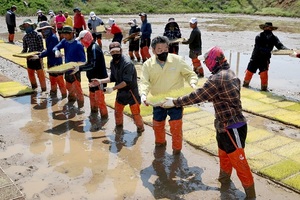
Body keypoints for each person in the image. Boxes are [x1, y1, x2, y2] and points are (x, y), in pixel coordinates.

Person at [161, 46, 256, 199]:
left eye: (207, 62)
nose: (207, 65)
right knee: (224, 156)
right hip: (223, 126)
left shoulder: (217, 78)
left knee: (240, 163)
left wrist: (175, 102)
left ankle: (251, 195)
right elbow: (215, 96)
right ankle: (224, 181)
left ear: (214, 61)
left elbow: (199, 95)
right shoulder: (229, 74)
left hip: (233, 127)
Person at [139, 36, 198, 155]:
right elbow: (144, 82)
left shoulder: (177, 60)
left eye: (166, 49)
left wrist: (192, 82)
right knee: (158, 125)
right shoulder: (147, 65)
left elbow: (190, 74)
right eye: (159, 49)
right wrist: (143, 95)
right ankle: (160, 145)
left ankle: (177, 151)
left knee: (176, 127)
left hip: (175, 101)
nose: (163, 52)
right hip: (158, 101)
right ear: (153, 50)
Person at [89, 42, 144, 134]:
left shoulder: (128, 63)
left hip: (131, 93)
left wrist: (113, 89)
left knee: (136, 115)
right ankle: (119, 130)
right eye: (113, 52)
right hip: (121, 92)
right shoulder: (112, 62)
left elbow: (126, 82)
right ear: (110, 53)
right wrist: (100, 81)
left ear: (121, 50)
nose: (115, 53)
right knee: (117, 112)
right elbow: (113, 77)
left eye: (117, 51)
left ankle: (140, 129)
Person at [243, 22, 289, 91]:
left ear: (271, 29)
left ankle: (264, 89)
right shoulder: (259, 36)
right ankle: (245, 86)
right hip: (255, 58)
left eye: (269, 27)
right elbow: (258, 47)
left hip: (265, 59)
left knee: (264, 75)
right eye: (266, 27)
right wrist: (267, 50)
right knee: (249, 73)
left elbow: (280, 46)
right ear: (264, 28)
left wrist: (287, 50)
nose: (267, 28)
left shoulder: (274, 38)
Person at [75, 30, 109, 119]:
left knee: (100, 100)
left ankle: (104, 119)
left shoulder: (94, 48)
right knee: (92, 98)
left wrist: (80, 68)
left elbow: (93, 65)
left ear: (86, 38)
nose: (81, 42)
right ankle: (93, 115)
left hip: (99, 80)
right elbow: (89, 62)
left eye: (82, 39)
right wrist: (80, 65)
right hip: (92, 79)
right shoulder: (89, 47)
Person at [52, 25, 86, 113]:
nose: (64, 36)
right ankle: (71, 102)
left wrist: (77, 66)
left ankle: (80, 108)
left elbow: (83, 60)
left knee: (78, 90)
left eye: (66, 35)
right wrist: (56, 51)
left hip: (75, 70)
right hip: (67, 69)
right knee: (69, 87)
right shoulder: (64, 42)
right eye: (63, 35)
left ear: (72, 34)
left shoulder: (78, 45)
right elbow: (56, 47)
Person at [31, 21, 67, 98]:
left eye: (44, 30)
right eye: (42, 31)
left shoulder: (53, 38)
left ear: (48, 29)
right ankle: (53, 93)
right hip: (50, 61)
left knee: (59, 80)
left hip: (56, 62)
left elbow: (50, 50)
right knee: (52, 78)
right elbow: (48, 49)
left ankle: (64, 95)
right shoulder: (48, 38)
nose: (42, 33)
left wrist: (40, 55)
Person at [19, 19, 46, 92]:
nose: (27, 27)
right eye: (25, 26)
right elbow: (24, 49)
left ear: (31, 26)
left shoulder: (38, 35)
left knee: (40, 73)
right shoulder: (25, 37)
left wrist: (38, 55)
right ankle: (34, 87)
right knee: (30, 72)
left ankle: (44, 89)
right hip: (29, 57)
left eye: (28, 26)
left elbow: (41, 48)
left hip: (37, 57)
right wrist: (21, 54)